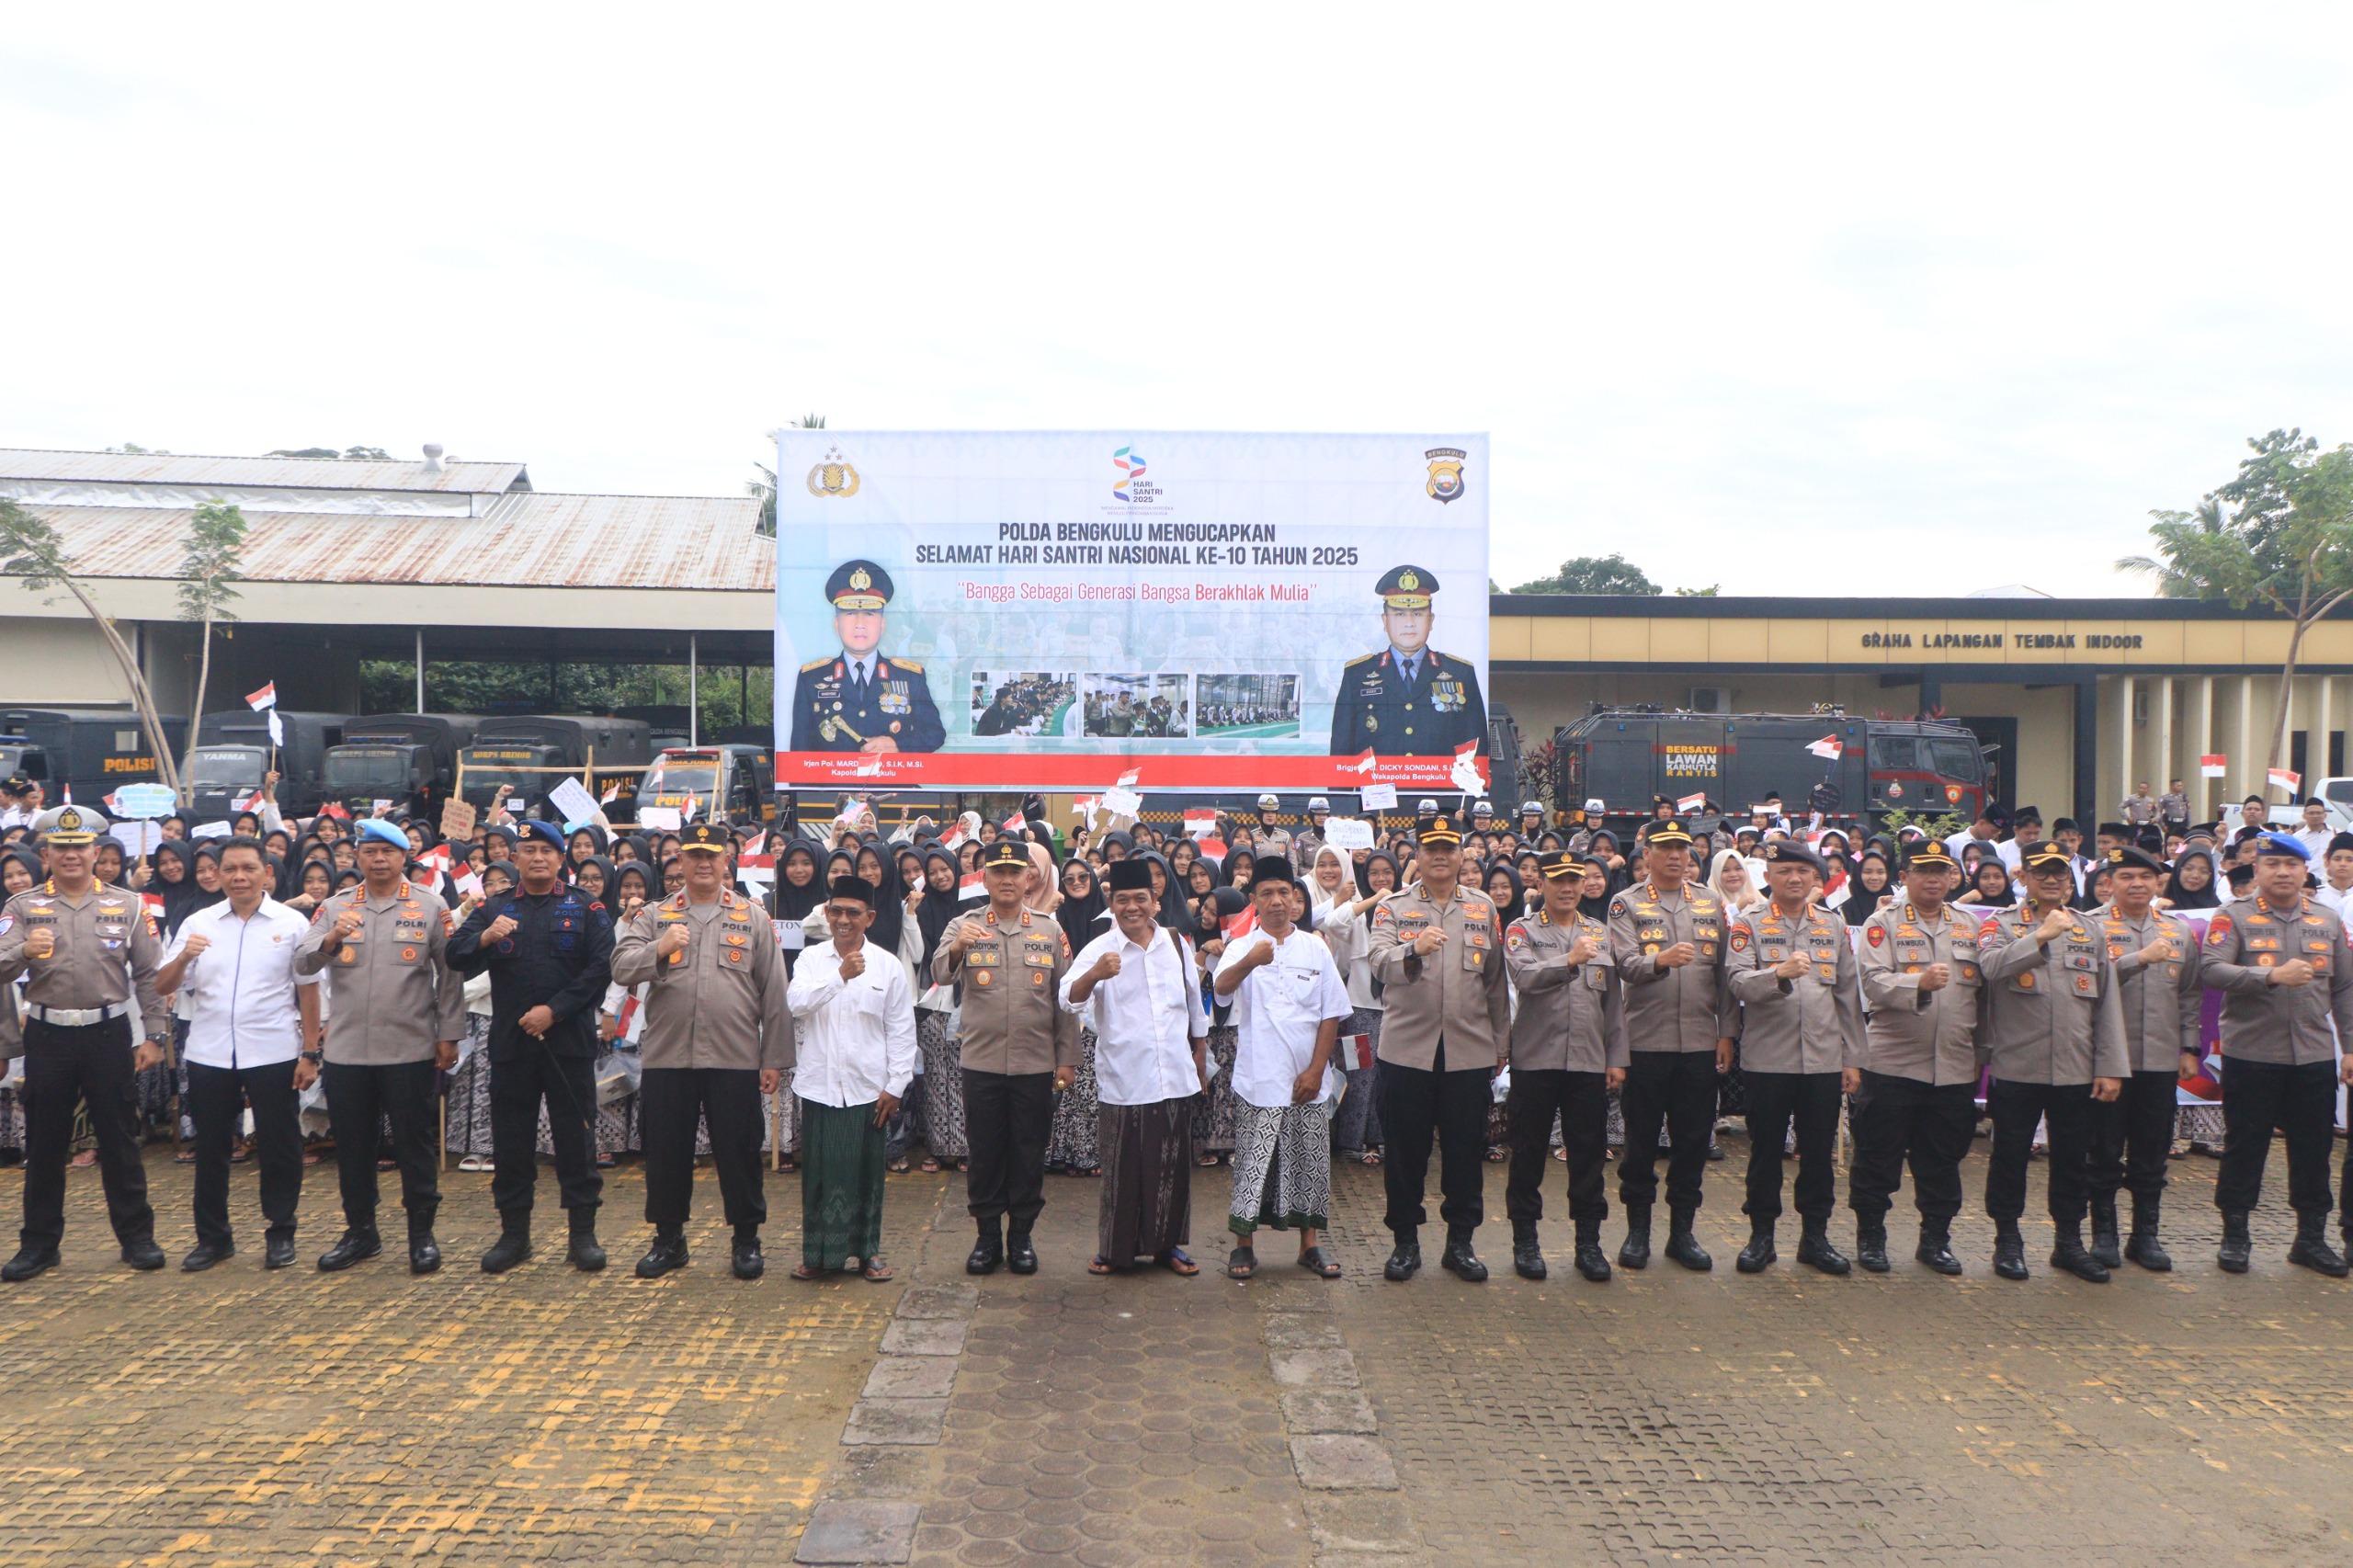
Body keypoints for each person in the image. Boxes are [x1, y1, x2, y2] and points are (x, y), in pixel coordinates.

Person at [610, 822, 794, 1281]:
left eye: (713, 855)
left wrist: (772, 1058)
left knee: (740, 1152)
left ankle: (746, 1240)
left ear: (726, 862)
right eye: (694, 855)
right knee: (666, 1153)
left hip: (733, 1058)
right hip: (669, 1058)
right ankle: (669, 1240)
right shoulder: (656, 915)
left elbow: (774, 992)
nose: (704, 863)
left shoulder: (751, 916)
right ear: (681, 863)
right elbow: (619, 967)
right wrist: (659, 948)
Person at [0, 806, 171, 1281]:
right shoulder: (20, 907)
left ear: (97, 852)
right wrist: (21, 951)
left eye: (80, 848)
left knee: (119, 1139)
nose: (71, 856)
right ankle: (39, 1245)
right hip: (48, 1034)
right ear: (46, 854)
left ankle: (137, 1238)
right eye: (61, 848)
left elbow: (150, 976)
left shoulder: (128, 904)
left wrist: (156, 1035)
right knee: (45, 1142)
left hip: (107, 1033)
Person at [294, 820, 466, 1273]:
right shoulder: (335, 908)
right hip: (348, 1052)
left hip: (409, 1049)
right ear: (357, 857)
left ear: (403, 857)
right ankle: (361, 1233)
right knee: (352, 1147)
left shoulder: (430, 906)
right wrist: (332, 939)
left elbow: (449, 976)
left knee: (414, 1145)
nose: (378, 860)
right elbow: (301, 962)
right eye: (368, 852)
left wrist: (449, 1034)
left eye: (387, 852)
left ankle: (421, 1235)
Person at [449, 819, 615, 1273]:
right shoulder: (494, 907)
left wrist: (555, 1011)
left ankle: (582, 1236)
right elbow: (454, 956)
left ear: (562, 859)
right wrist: (485, 937)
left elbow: (600, 970)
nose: (538, 858)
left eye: (547, 850)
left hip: (568, 1045)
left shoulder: (586, 908)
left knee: (575, 1141)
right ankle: (514, 1236)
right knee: (512, 1144)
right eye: (529, 850)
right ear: (516, 858)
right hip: (512, 1047)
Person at [157, 835, 319, 1271]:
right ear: (215, 874)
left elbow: (309, 990)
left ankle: (280, 1232)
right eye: (229, 869)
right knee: (210, 1146)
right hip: (209, 1052)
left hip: (274, 1049)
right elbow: (163, 985)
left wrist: (310, 1051)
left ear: (267, 872)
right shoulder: (198, 922)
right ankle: (213, 1238)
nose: (238, 877)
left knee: (280, 1144)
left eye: (248, 868)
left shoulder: (292, 923)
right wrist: (182, 960)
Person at [2200, 832, 2353, 1276]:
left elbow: (2344, 988)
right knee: (2245, 1147)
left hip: (2313, 1054)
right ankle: (2235, 1235)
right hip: (2253, 1054)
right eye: (2273, 865)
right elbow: (2211, 969)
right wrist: (2268, 977)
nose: (2283, 873)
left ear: (2307, 871)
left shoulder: (2326, 921)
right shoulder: (2234, 917)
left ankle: (2310, 1239)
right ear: (2258, 870)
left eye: (2292, 866)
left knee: (2313, 1149)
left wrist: (2349, 1047)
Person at [1366, 814, 1511, 1282]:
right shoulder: (1393, 907)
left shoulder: (1484, 908)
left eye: (1450, 849)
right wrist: (1414, 949)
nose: (1442, 857)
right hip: (1407, 1051)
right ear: (1419, 856)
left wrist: (1502, 1043)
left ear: (1462, 855)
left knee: (1465, 1151)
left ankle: (1460, 1244)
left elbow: (1494, 983)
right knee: (1406, 1152)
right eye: (1432, 849)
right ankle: (1405, 1243)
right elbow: (1377, 962)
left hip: (1469, 1051)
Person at [1976, 841, 2128, 1282]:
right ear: (2022, 876)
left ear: (2070, 879)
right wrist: (2038, 937)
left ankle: (2068, 1243)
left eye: (2060, 873)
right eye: (2041, 872)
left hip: (2076, 1069)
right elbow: (1989, 967)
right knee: (2009, 1156)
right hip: (2017, 1067)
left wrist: (2110, 1066)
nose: (2051, 880)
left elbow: (2106, 1004)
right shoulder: (2000, 925)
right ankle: (2007, 1240)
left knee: (2072, 1159)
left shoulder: (2089, 930)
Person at [932, 839, 1079, 1275]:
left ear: (1028, 878)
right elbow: (940, 973)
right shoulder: (965, 924)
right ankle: (986, 1239)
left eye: (1016, 872)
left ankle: (1022, 1239)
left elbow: (1064, 1001)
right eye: (998, 872)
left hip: (1036, 1065)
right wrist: (958, 946)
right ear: (985, 878)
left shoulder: (1049, 930)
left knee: (1029, 1153)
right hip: (982, 1064)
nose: (1008, 880)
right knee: (985, 1153)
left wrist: (1067, 1059)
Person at [1720, 840, 1861, 1276]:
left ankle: (1814, 1238)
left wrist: (1853, 1057)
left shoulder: (1832, 925)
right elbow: (1737, 981)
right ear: (1769, 877)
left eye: (1803, 871)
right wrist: (1776, 974)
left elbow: (1848, 995)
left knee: (1818, 1153)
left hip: (1822, 1059)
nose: (1795, 879)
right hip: (1769, 1060)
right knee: (1765, 1152)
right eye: (1785, 871)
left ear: (1815, 878)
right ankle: (1761, 1237)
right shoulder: (1750, 923)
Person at [1064, 858, 1209, 1275]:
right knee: (1123, 1170)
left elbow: (1193, 1004)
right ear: (1111, 902)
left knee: (1172, 1166)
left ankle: (1169, 1247)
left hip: (1175, 1075)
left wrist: (1199, 1054)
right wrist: (1094, 975)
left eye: (1140, 899)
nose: (1132, 907)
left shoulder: (1176, 942)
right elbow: (1068, 1000)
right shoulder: (1099, 948)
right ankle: (1115, 1249)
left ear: (1155, 901)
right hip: (1125, 1077)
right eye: (1122, 899)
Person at [1848, 840, 1983, 1275]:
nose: (1933, 879)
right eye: (1923, 871)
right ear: (1903, 878)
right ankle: (1872, 1237)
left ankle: (1935, 1240)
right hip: (1893, 1063)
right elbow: (1872, 983)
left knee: (1942, 1161)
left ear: (1952, 878)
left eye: (1941, 872)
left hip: (1953, 1065)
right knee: (1877, 1158)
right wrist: (1919, 984)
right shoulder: (1881, 923)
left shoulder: (1968, 924)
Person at [1213, 858, 1349, 1280]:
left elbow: (1332, 1013)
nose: (1276, 901)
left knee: (1310, 1161)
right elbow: (1219, 989)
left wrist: (1316, 1070)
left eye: (1283, 893)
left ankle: (1309, 1244)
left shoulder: (1315, 947)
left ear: (1295, 899)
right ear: (1253, 901)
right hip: (1259, 1078)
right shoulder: (1241, 946)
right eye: (1266, 894)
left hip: (1309, 1079)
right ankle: (1243, 1247)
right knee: (1253, 1163)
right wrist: (1251, 960)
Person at [1606, 818, 1731, 1273]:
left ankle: (1683, 1233)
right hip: (1646, 1043)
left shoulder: (1710, 902)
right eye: (1666, 848)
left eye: (1683, 848)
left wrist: (1726, 1033)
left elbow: (1725, 977)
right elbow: (1624, 964)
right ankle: (1638, 1232)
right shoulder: (1627, 904)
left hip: (1699, 1042)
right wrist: (1659, 960)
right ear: (1647, 855)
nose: (1676, 856)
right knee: (1640, 1143)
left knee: (1693, 1143)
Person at [1500, 849, 1624, 1283]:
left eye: (1576, 879)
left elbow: (1613, 1004)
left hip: (1588, 1061)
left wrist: (1617, 1058)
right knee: (1529, 1153)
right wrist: (1569, 960)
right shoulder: (1522, 930)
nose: (1568, 888)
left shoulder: (1599, 933)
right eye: (1559, 880)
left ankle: (1588, 1243)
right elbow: (1524, 978)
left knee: (1589, 1155)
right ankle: (1526, 1240)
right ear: (1544, 885)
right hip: (1536, 1059)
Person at [785, 875, 915, 1279]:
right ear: (826, 913)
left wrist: (896, 1086)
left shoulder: (888, 965)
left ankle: (868, 1253)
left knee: (867, 1176)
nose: (843, 920)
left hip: (868, 1090)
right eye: (836, 911)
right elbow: (796, 1004)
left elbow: (900, 1030)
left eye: (853, 913)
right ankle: (817, 1255)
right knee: (820, 1176)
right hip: (820, 1087)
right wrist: (839, 975)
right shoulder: (811, 960)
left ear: (870, 917)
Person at [2086, 845, 2203, 1272]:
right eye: (2126, 877)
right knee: (2103, 1151)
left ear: (2158, 883)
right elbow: (2085, 981)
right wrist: (2136, 960)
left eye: (2145, 877)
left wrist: (2189, 1047)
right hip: (2107, 1062)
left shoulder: (2177, 930)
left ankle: (2145, 1236)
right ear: (2109, 883)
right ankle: (2104, 1236)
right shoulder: (2090, 927)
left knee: (2151, 1152)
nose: (2136, 884)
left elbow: (2190, 993)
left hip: (2158, 1060)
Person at [787, 559, 946, 754]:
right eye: (851, 613)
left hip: (890, 783)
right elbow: (800, 754)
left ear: (882, 625)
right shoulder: (811, 679)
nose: (860, 623)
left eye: (870, 613)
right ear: (837, 624)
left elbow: (934, 733)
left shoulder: (910, 677)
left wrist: (898, 745)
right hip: (833, 785)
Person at [1329, 565, 1487, 757]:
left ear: (1431, 620)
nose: (1409, 622)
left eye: (1418, 614)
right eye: (1399, 614)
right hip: (1378, 787)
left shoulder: (1460, 674)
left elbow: (1476, 751)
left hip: (1439, 787)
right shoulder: (1357, 675)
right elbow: (1340, 753)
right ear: (1385, 621)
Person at [1245, 794, 1295, 861]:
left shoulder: (1286, 836)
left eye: (1273, 812)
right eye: (1266, 812)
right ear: (1260, 814)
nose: (1270, 815)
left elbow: (1293, 864)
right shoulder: (1251, 836)